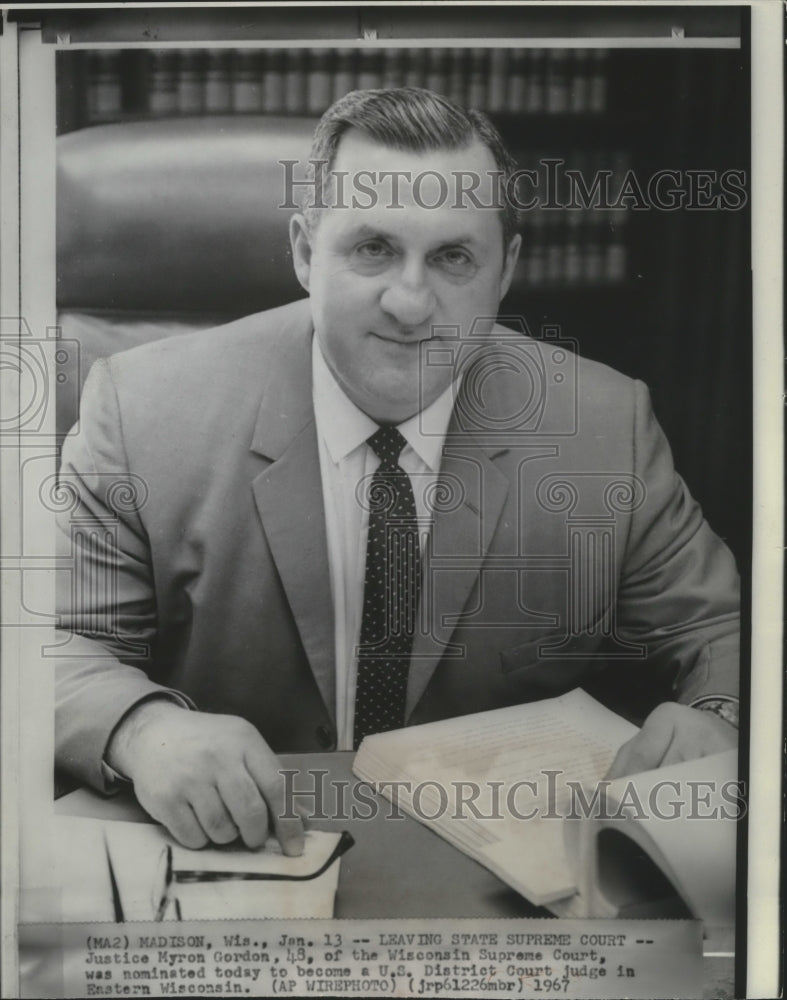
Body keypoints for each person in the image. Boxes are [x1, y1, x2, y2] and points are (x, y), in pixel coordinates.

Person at [55, 88, 739, 857]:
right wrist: (143, 730)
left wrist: (719, 713)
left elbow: (721, 628)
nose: (411, 303)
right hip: (235, 854)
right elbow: (50, 646)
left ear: (504, 270)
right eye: (373, 248)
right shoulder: (142, 409)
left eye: (452, 257)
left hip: (494, 876)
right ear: (305, 251)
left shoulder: (603, 425)